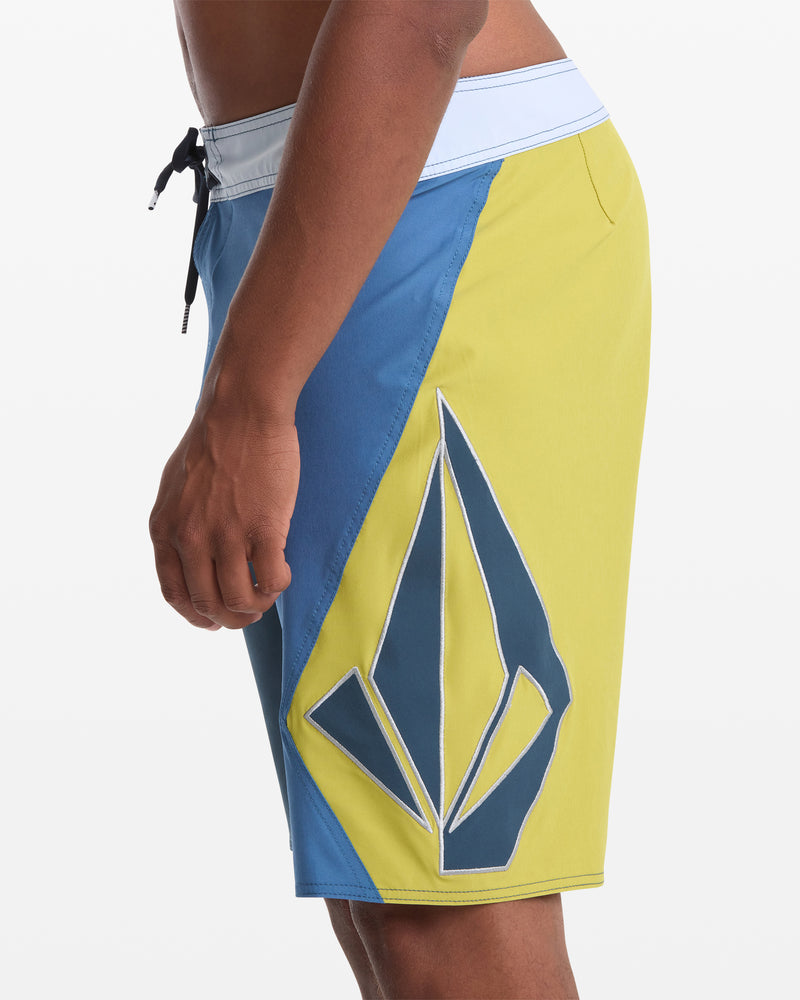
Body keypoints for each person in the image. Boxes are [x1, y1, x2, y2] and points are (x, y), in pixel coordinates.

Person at [148, 1, 650, 996]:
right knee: (384, 896)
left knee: (443, 902)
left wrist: (251, 397)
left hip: (443, 195)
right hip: (305, 199)